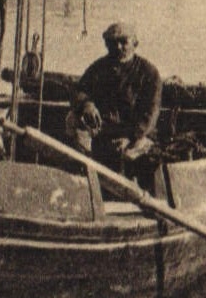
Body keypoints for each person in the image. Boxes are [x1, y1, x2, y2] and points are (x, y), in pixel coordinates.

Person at [67, 21, 162, 182]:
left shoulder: (149, 73)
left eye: (123, 42)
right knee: (71, 120)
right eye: (112, 43)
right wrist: (87, 104)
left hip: (136, 133)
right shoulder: (99, 67)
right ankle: (83, 174)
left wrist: (131, 137)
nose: (118, 47)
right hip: (105, 129)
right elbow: (79, 90)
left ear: (135, 43)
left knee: (131, 155)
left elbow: (150, 115)